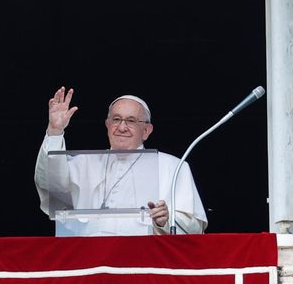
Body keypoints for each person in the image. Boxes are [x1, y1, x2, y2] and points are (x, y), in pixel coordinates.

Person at [35, 87, 207, 235]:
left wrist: (166, 219)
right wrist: (55, 131)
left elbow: (194, 228)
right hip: (91, 261)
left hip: (145, 260)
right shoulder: (84, 164)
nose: (122, 127)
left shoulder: (173, 167)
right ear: (107, 125)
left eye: (131, 121)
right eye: (116, 119)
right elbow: (51, 187)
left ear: (146, 130)